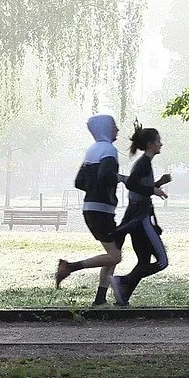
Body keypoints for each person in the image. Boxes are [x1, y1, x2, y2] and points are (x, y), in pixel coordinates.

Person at [55, 113, 124, 305]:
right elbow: (106, 176)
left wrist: (95, 189)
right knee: (115, 256)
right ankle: (70, 267)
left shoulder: (92, 150)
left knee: (112, 255)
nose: (117, 129)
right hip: (102, 209)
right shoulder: (109, 150)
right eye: (114, 126)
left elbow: (79, 181)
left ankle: (100, 299)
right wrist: (120, 179)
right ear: (106, 129)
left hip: (91, 208)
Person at [112, 125, 171, 307]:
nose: (161, 144)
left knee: (144, 261)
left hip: (136, 216)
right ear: (151, 144)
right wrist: (154, 190)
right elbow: (131, 184)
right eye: (158, 141)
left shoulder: (144, 163)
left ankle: (123, 296)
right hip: (141, 217)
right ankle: (122, 281)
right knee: (162, 261)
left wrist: (158, 183)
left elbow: (139, 187)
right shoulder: (143, 163)